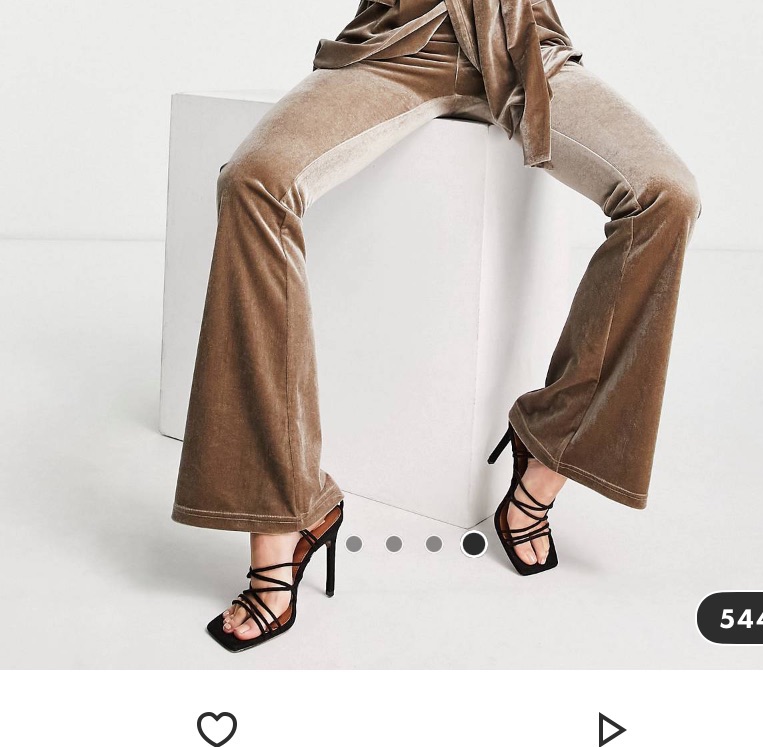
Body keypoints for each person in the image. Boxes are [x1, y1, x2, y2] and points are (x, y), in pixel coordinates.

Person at [170, 0, 702, 651]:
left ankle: (554, 447)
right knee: (255, 182)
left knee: (667, 196)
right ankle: (284, 510)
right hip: (400, 43)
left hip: (522, 41)